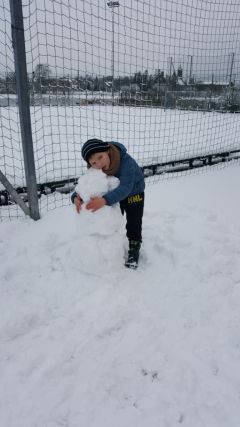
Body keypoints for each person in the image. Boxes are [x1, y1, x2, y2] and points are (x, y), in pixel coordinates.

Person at [71, 138, 145, 269]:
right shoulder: (95, 169)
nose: (98, 164)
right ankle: (114, 245)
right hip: (116, 194)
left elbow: (126, 187)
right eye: (93, 162)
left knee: (134, 221)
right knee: (114, 219)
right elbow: (88, 185)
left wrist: (104, 200)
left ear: (107, 151)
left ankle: (134, 247)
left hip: (134, 192)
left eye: (100, 157)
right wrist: (77, 197)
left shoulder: (125, 161)